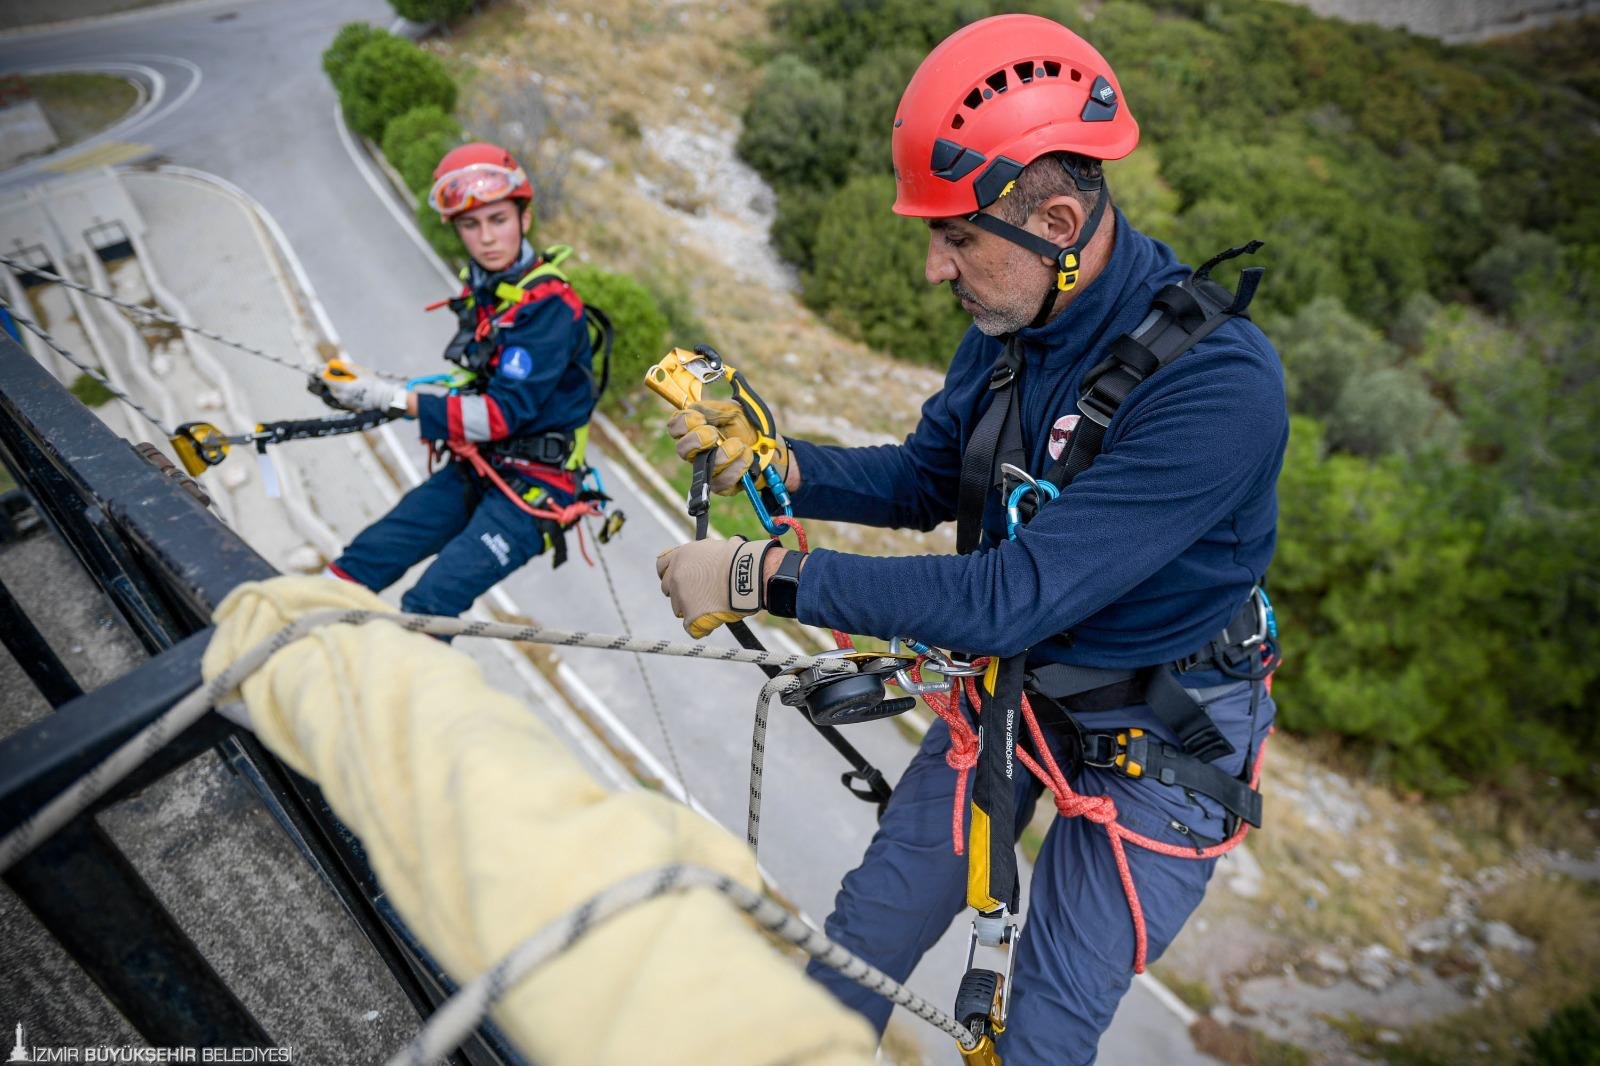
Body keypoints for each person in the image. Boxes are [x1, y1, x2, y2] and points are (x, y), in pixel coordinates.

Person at [654, 15, 1287, 1064]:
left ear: (1058, 217)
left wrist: (765, 576)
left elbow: (1006, 595)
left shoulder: (1218, 390)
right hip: (1025, 679)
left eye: (956, 238)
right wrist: (779, 461)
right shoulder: (1013, 324)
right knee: (864, 936)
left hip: (1167, 728)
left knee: (1036, 1031)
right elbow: (923, 479)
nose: (934, 270)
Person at [324, 142, 601, 619]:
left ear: (524, 219)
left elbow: (497, 415)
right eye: (471, 225)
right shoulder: (489, 291)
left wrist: (398, 398)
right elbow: (474, 385)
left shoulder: (549, 307)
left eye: (498, 220)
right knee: (362, 561)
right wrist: (378, 390)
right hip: (481, 465)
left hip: (536, 487)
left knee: (429, 602)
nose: (487, 238)